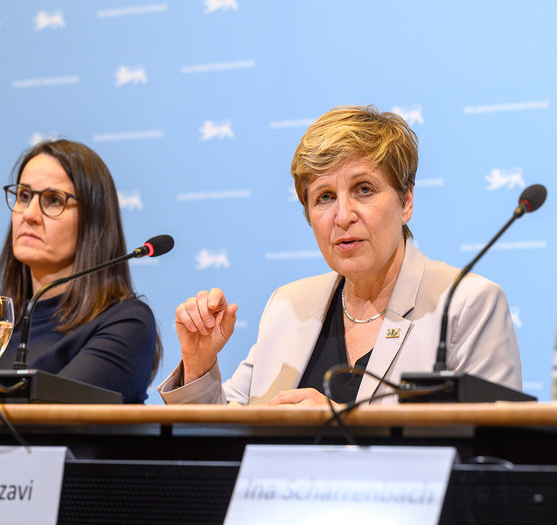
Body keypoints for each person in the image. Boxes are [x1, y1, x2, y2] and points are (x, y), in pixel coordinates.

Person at [159, 105, 521, 406]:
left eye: (364, 190)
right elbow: (223, 437)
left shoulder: (467, 304)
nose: (343, 216)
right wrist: (200, 363)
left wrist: (338, 424)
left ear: (406, 201)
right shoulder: (288, 305)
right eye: (325, 197)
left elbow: (492, 453)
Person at [0, 139, 161, 403]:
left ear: (94, 221)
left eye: (53, 200)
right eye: (23, 196)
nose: (29, 214)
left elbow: (42, 418)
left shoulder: (125, 323)